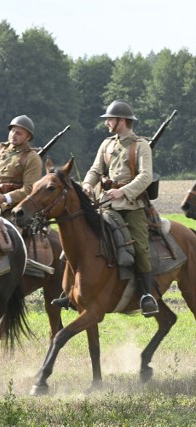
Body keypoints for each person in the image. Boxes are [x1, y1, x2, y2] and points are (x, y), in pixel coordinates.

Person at [51, 100, 159, 316]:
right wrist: (89, 185)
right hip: (104, 204)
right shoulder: (107, 144)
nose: (107, 123)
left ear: (122, 121)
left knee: (140, 247)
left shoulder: (141, 145)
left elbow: (145, 176)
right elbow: (94, 169)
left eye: (110, 119)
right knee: (73, 245)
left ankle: (147, 295)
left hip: (130, 206)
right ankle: (69, 292)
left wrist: (123, 191)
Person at [0, 115, 42, 218]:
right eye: (12, 131)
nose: (13, 135)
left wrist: (5, 197)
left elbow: (29, 189)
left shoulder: (32, 158)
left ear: (28, 137)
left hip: (13, 208)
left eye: (19, 133)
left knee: (8, 232)